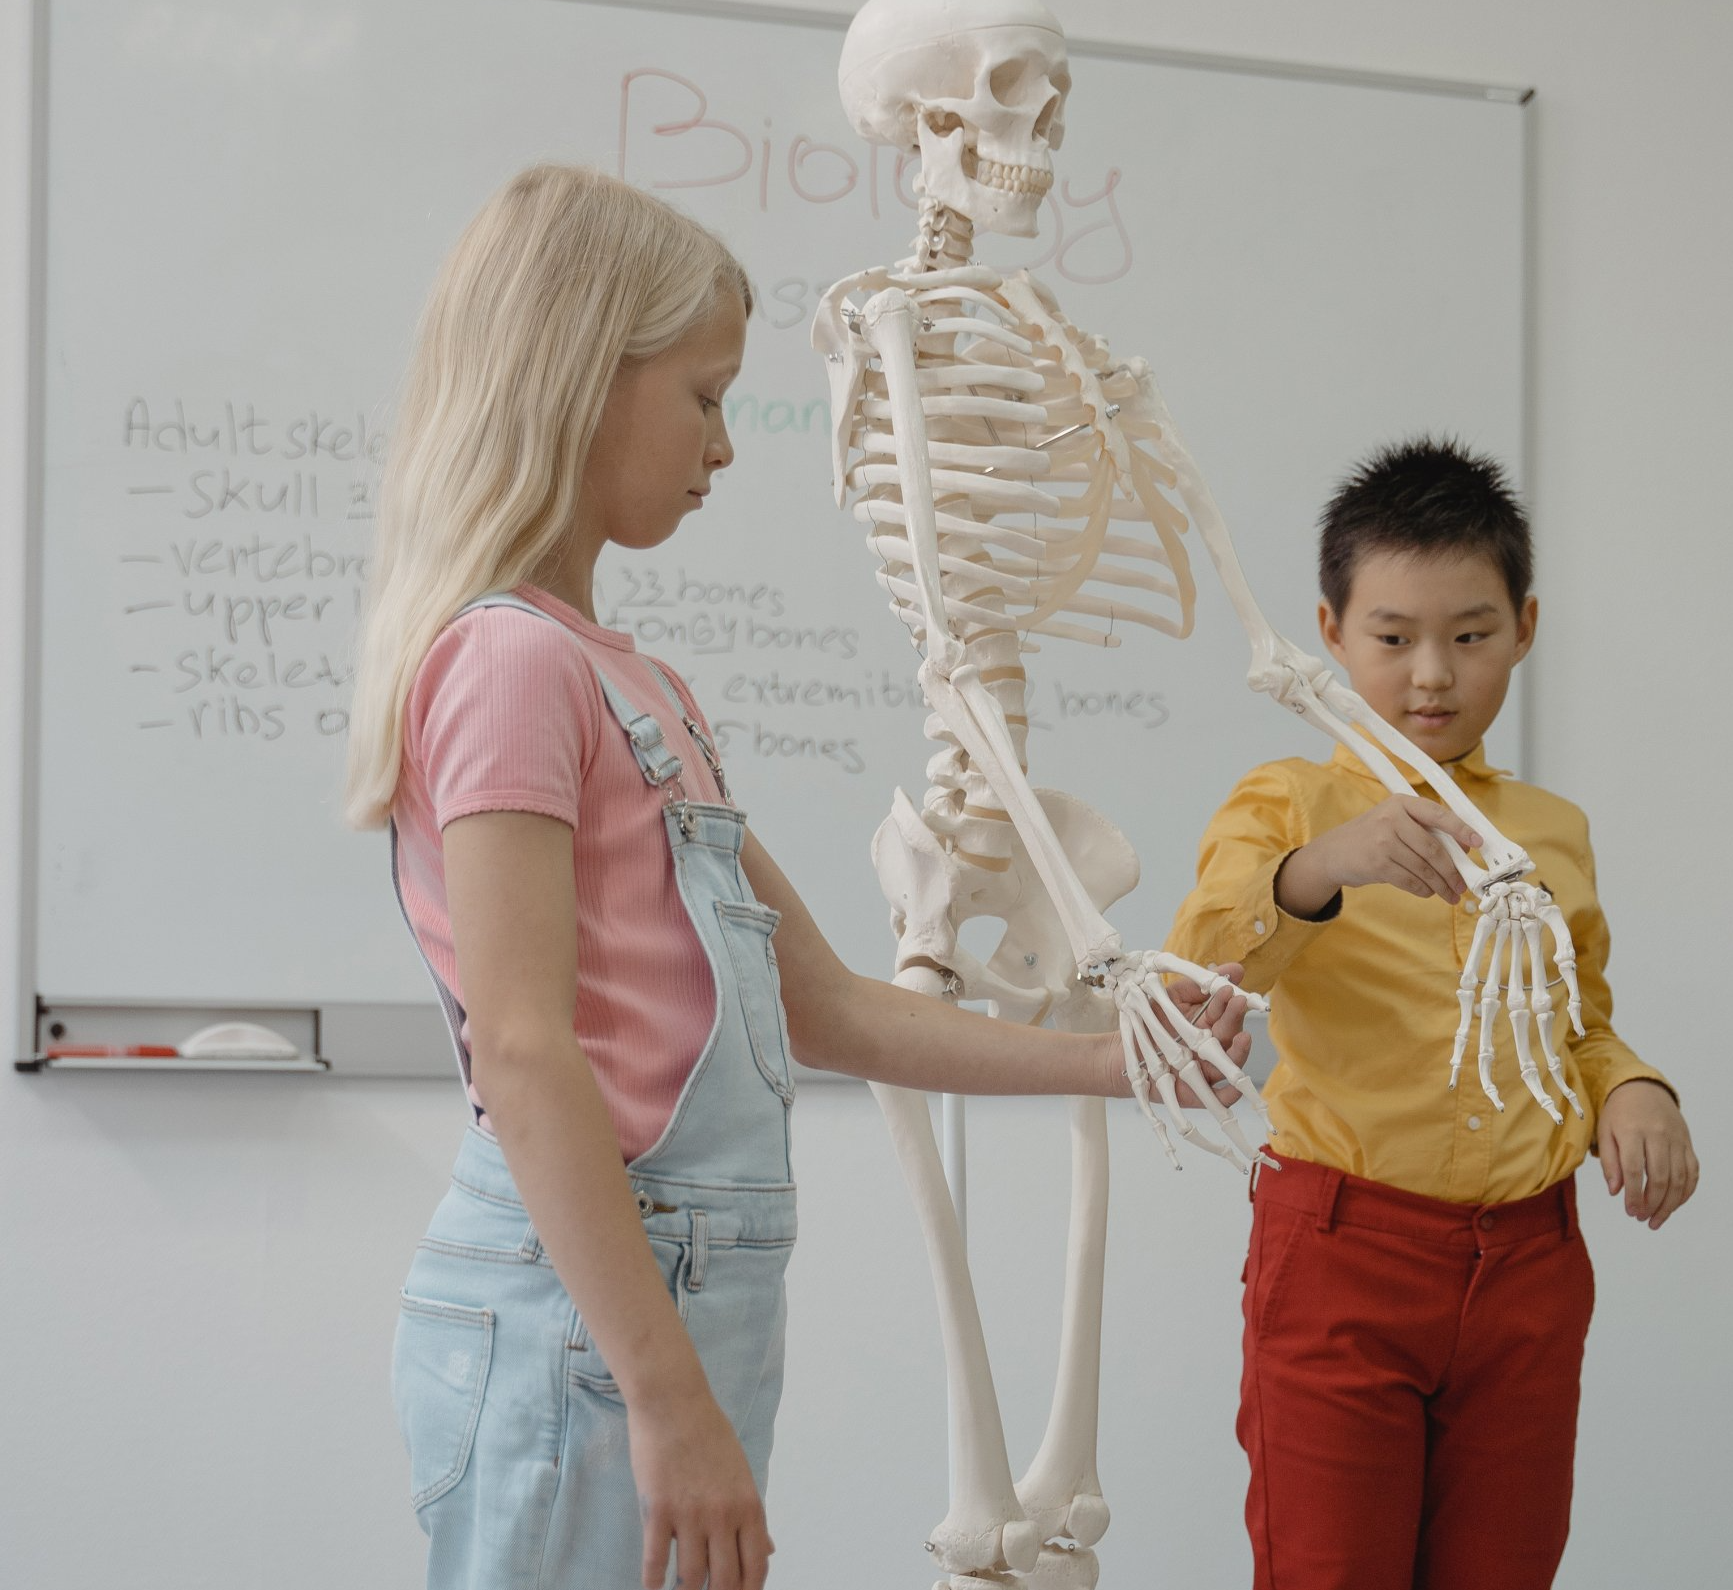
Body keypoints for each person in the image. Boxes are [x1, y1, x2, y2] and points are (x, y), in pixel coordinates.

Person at [342, 163, 1253, 1590]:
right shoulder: (513, 664)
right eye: (703, 397)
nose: (725, 445)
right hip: (592, 1318)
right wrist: (666, 1397)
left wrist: (1124, 1064)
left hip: (676, 1302)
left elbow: (824, 1004)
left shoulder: (641, 686)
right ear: (582, 373)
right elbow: (526, 1051)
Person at [1165, 437, 1700, 1590]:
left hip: (1530, 1265)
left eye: (1470, 637)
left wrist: (1636, 1085)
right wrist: (1319, 869)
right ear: (1330, 630)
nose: (1432, 679)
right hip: (1343, 1254)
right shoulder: (1286, 803)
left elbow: (1575, 1027)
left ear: (1526, 628)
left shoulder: (1552, 830)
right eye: (1393, 639)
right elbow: (1193, 980)